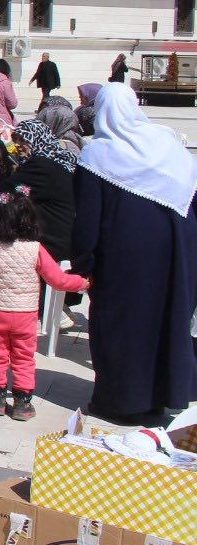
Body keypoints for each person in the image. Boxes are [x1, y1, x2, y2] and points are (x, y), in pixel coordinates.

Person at [71, 82, 197, 425]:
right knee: (165, 319)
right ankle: (163, 397)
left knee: (122, 324)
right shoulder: (167, 145)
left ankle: (121, 401)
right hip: (177, 250)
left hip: (126, 256)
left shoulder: (98, 154)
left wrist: (84, 262)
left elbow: (87, 217)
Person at [0, 190, 88, 421]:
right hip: (25, 314)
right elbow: (58, 280)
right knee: (24, 357)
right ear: (30, 220)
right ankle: (22, 404)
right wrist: (82, 282)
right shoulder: (36, 249)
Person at [0, 119, 77, 266]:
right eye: (15, 139)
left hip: (52, 243)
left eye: (23, 140)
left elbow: (4, 190)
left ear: (37, 139)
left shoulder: (39, 166)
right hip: (70, 238)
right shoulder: (62, 158)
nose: (17, 144)